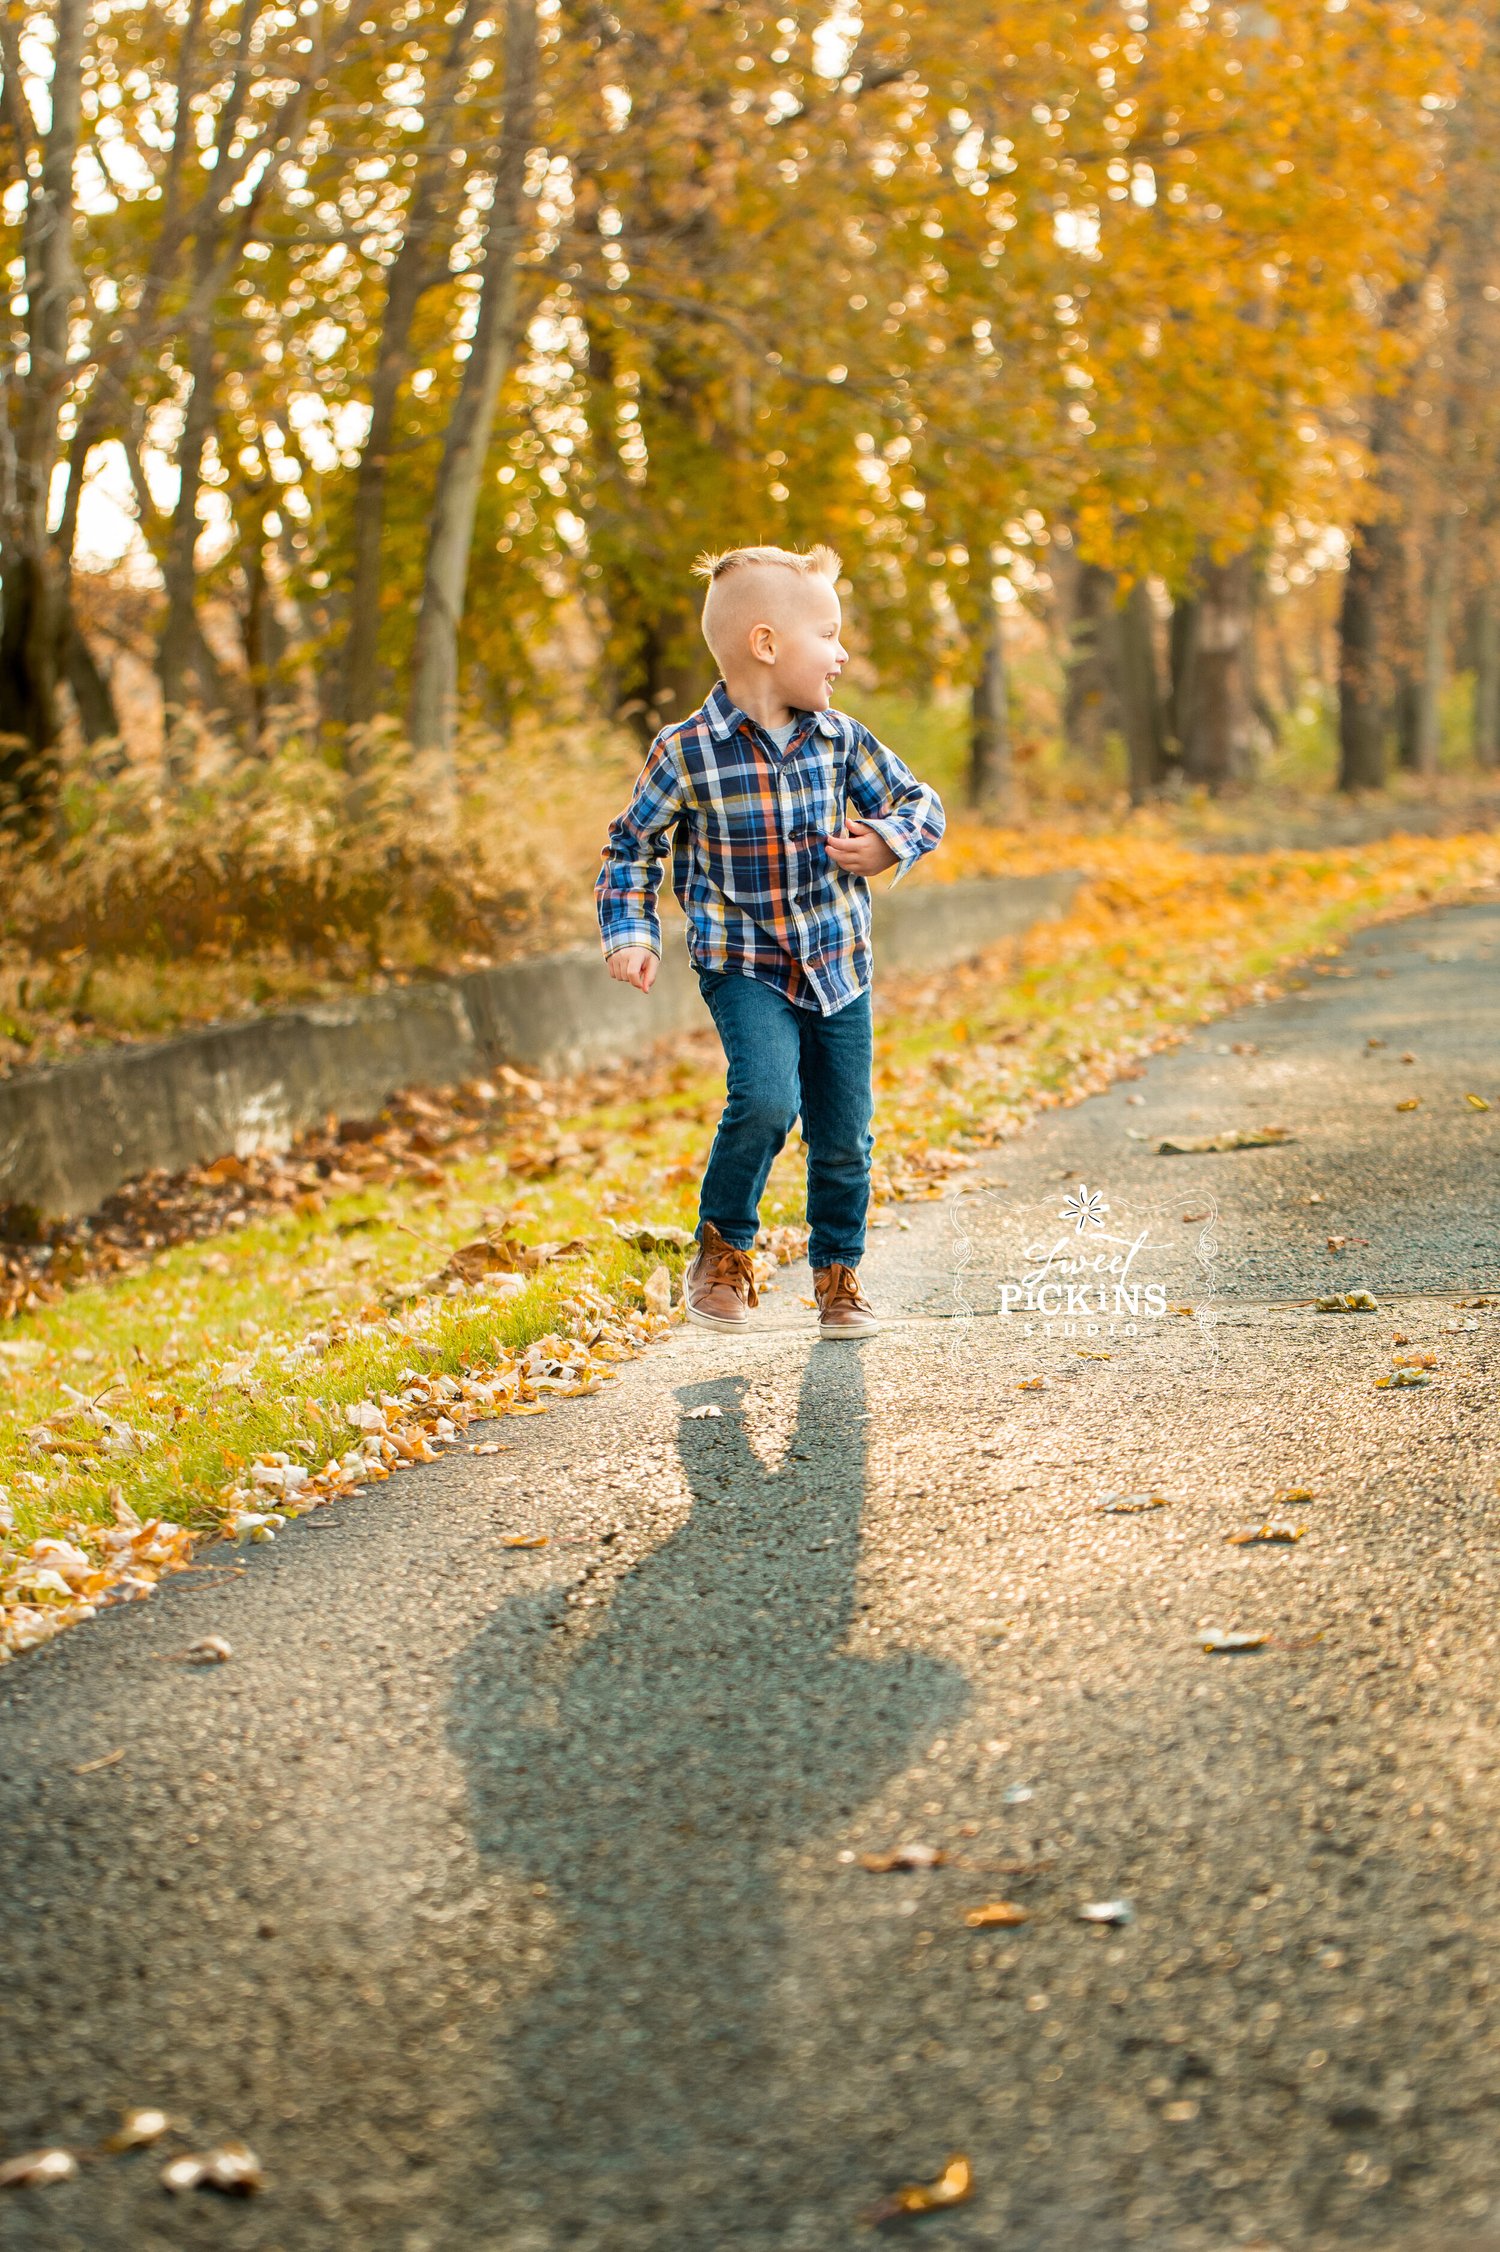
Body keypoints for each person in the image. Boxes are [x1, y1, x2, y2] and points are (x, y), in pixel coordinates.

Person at [595, 543, 946, 1339]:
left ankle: (838, 1273)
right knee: (765, 1098)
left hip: (838, 965)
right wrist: (631, 931)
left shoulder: (842, 740)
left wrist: (892, 839)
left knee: (844, 1131)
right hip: (743, 962)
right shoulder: (685, 752)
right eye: (827, 633)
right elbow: (631, 847)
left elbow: (921, 801)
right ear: (766, 645)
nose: (842, 651)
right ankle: (723, 1250)